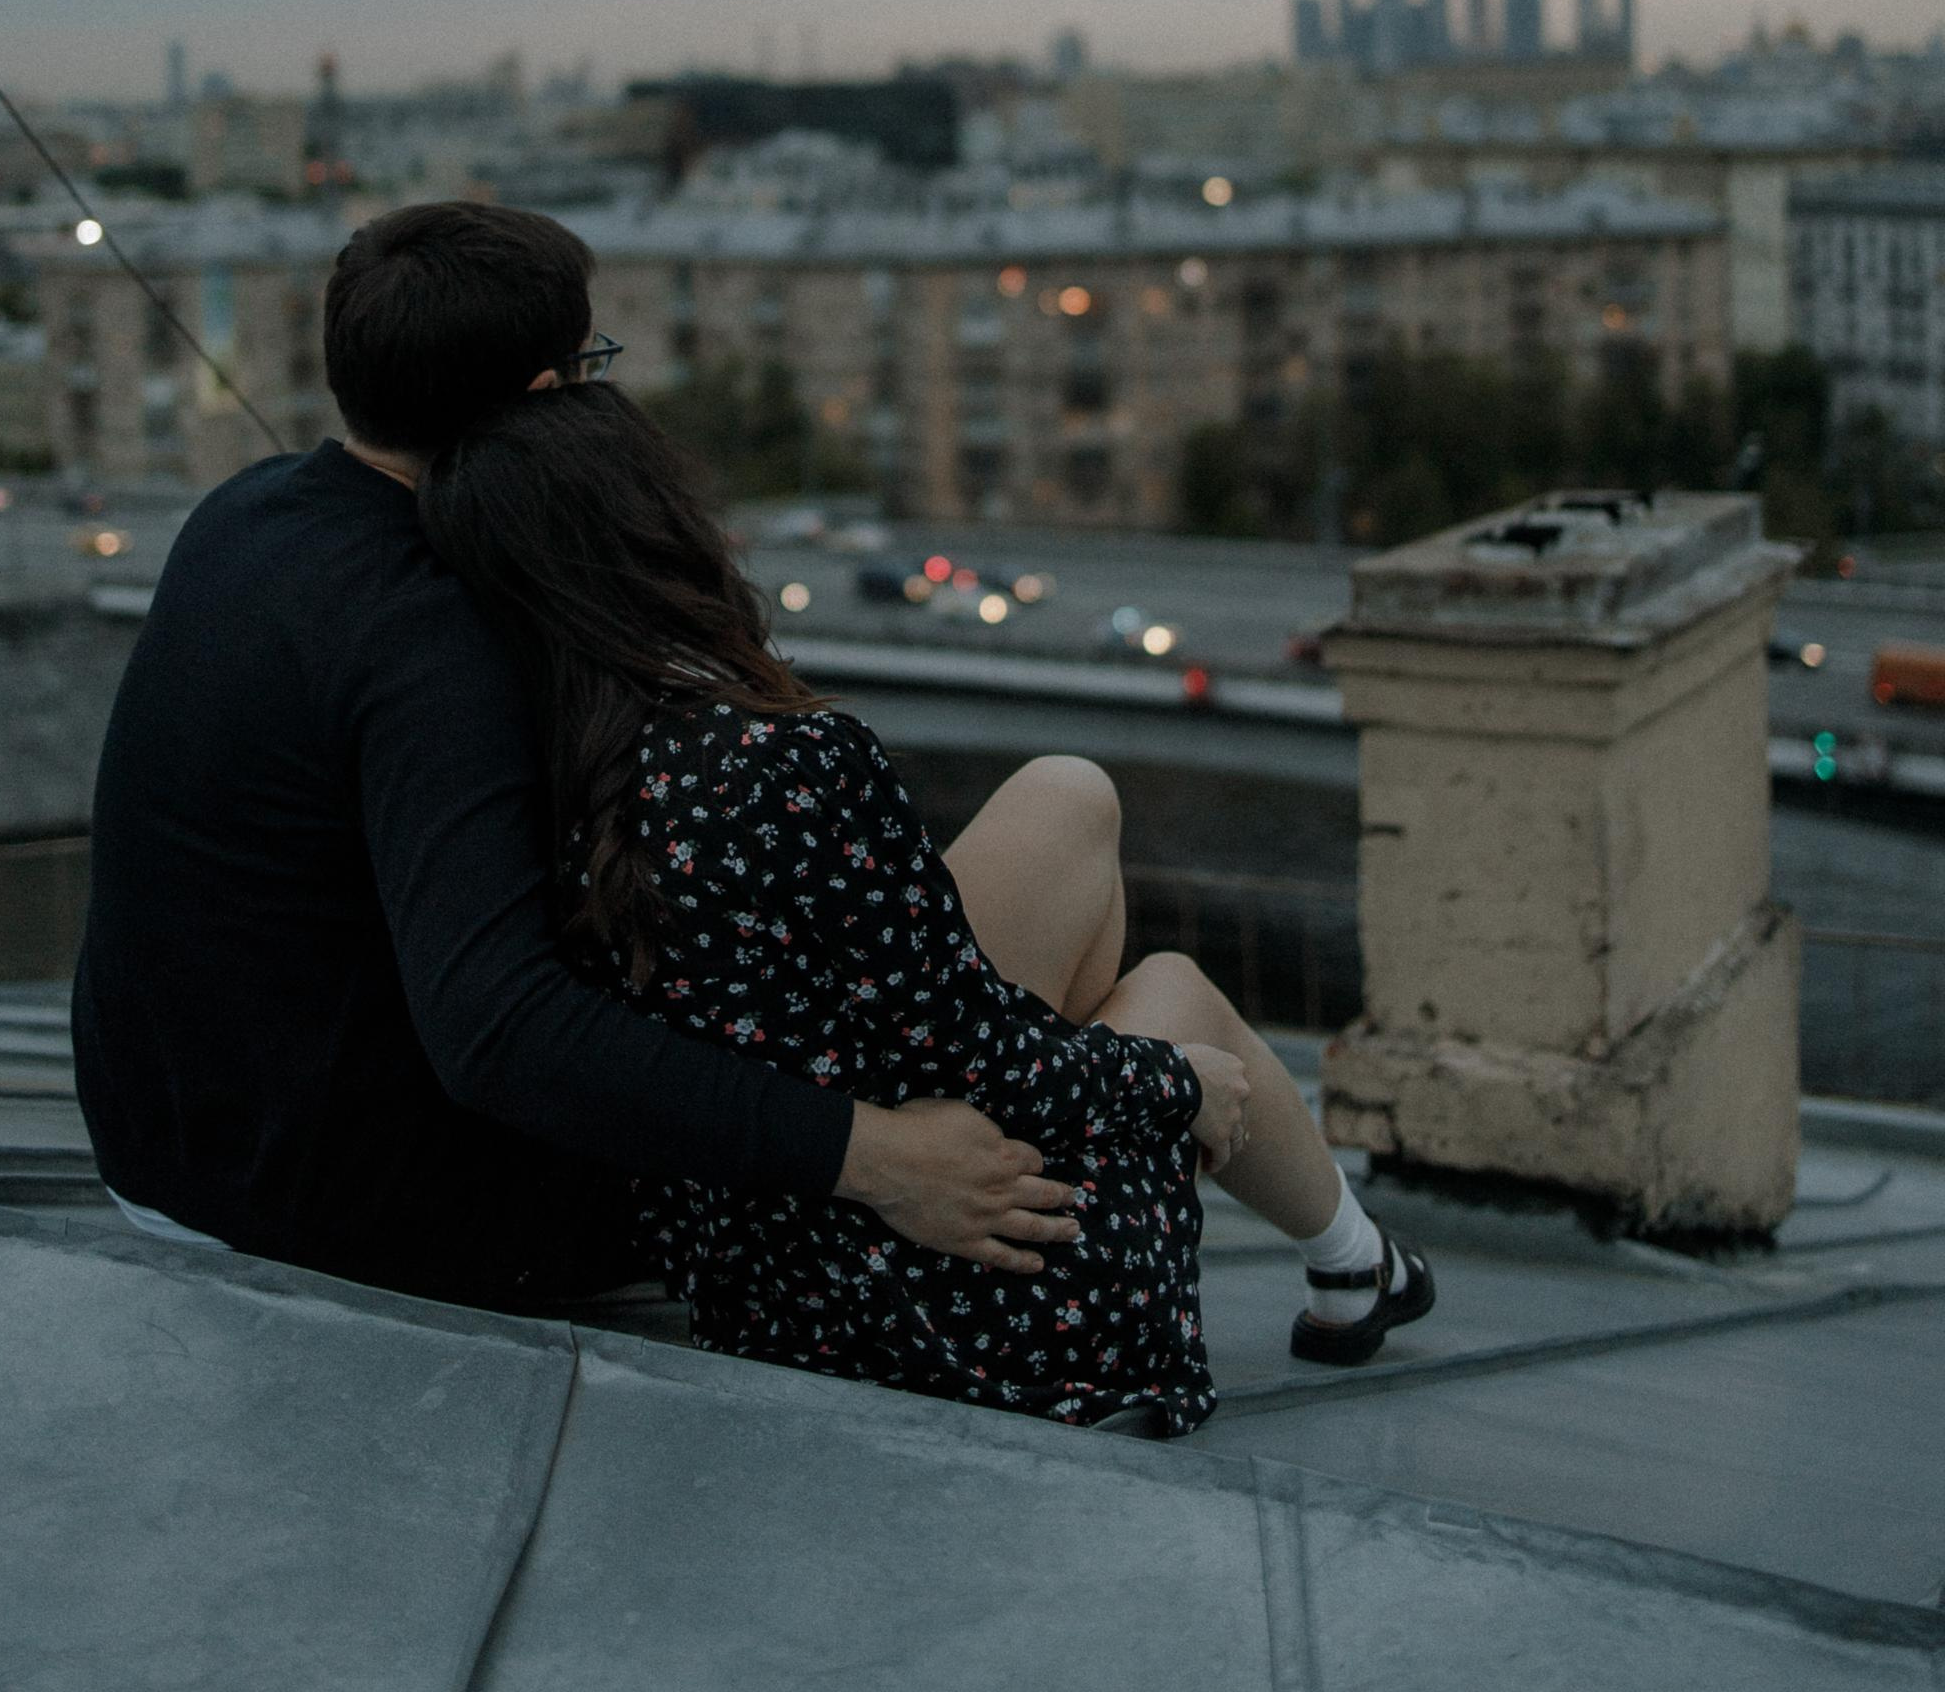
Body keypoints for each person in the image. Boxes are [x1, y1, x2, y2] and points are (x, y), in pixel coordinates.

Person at [73, 205, 1079, 1311]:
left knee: (1068, 894)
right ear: (548, 399)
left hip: (166, 1164)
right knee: (1070, 893)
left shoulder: (242, 515)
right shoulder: (432, 632)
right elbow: (497, 1029)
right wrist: (875, 1156)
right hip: (340, 1228)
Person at [418, 375, 1437, 1422]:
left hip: (763, 1294)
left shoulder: (510, 781)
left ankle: (1342, 1256)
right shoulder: (788, 763)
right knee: (1172, 994)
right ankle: (1353, 1260)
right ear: (659, 528)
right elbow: (988, 1055)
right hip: (969, 1302)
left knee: (1066, 794)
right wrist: (1172, 1085)